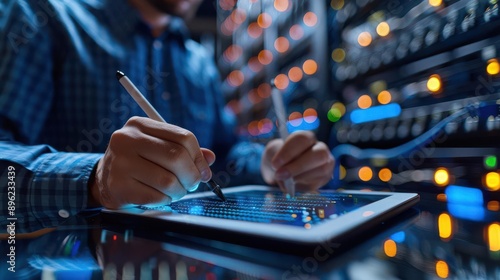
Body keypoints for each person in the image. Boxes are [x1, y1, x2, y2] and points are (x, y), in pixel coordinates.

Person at [0, 0, 334, 233]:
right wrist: (95, 179)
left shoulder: (198, 60)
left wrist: (268, 163)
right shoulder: (44, 17)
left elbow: (224, 152)